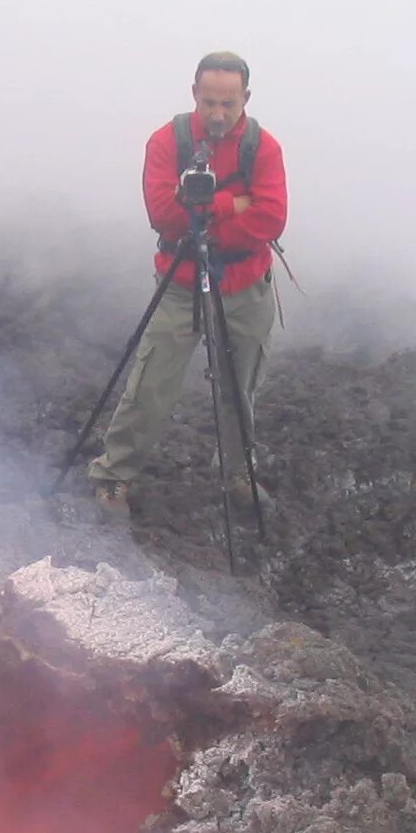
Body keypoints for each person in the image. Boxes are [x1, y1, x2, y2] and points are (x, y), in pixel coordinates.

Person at [89, 51, 288, 512]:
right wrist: (235, 203)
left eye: (229, 104)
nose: (218, 114)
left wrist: (205, 210)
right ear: (194, 94)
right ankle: (114, 474)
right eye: (210, 102)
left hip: (244, 284)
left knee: (241, 387)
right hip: (180, 281)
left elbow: (272, 218)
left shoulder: (263, 147)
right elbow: (162, 215)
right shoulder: (167, 141)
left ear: (246, 99)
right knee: (151, 381)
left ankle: (238, 472)